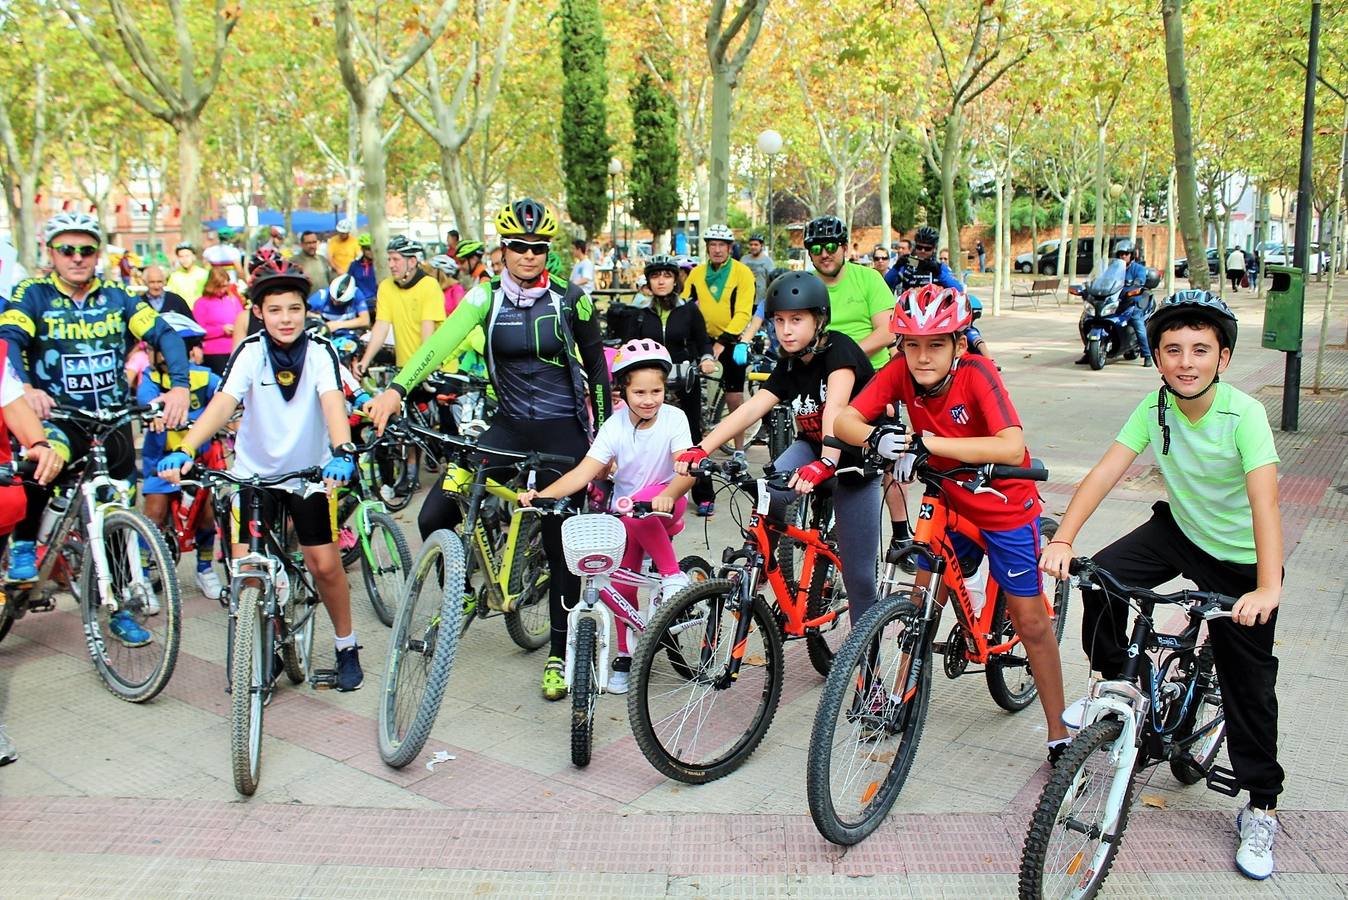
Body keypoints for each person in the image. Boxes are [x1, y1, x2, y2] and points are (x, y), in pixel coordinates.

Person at [1040, 291, 1284, 880]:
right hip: (1179, 532)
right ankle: (1117, 683)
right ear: (1157, 359)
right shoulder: (1155, 408)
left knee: (1247, 683)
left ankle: (1262, 806)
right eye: (1172, 350)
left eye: (1201, 350)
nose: (1186, 361)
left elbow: (1265, 503)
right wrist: (1064, 539)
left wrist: (1268, 588)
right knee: (1101, 579)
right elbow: (1105, 470)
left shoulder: (1244, 415)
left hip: (1242, 560)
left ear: (1223, 358)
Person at [366, 198, 611, 702]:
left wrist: (606, 443)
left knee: (561, 543)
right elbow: (436, 348)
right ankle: (462, 584)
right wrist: (397, 389)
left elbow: (599, 371)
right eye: (519, 247)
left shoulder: (573, 299)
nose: (528, 255)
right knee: (434, 512)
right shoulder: (484, 298)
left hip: (562, 431)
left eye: (538, 247)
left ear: (547, 251)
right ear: (503, 250)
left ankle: (560, 655)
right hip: (506, 427)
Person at [834, 283, 1069, 763]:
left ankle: (1059, 730)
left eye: (936, 344)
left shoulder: (978, 373)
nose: (922, 357)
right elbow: (844, 420)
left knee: (1030, 621)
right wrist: (878, 436)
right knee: (922, 602)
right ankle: (901, 693)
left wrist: (930, 446)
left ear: (959, 345)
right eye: (912, 344)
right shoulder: (901, 370)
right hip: (946, 502)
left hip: (1004, 505)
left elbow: (1009, 445)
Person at [157, 261, 364, 691]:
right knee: (247, 572)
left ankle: (346, 646)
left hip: (308, 475)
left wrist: (343, 449)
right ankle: (263, 647)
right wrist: (185, 448)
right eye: (275, 310)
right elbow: (221, 405)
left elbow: (332, 402)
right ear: (259, 313)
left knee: (324, 565)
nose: (285, 318)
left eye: (294, 309)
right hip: (251, 478)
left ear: (306, 311)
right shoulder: (250, 352)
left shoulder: (322, 352)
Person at [0, 213, 191, 600]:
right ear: (51, 253)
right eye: (66, 249)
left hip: (113, 421)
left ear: (97, 254)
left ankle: (120, 605)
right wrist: (25, 386)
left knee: (118, 511)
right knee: (42, 461)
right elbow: (10, 337)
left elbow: (164, 333)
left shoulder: (117, 296)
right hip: (59, 418)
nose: (77, 257)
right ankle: (23, 545)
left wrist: (180, 389)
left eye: (86, 250)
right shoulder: (33, 293)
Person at [676, 271, 881, 624]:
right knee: (770, 492)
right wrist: (702, 448)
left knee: (859, 575)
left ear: (819, 320)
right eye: (779, 320)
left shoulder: (840, 349)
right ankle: (770, 571)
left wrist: (828, 463)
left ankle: (869, 663)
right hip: (813, 447)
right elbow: (752, 408)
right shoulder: (788, 362)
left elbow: (835, 408)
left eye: (797, 320)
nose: (785, 330)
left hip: (854, 461)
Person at [519, 339, 695, 694]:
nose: (649, 399)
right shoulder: (614, 426)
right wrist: (543, 495)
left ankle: (673, 575)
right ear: (623, 391)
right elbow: (585, 471)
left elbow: (687, 469)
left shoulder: (675, 418)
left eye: (657, 390)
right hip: (628, 513)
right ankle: (627, 656)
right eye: (640, 391)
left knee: (634, 506)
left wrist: (668, 494)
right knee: (621, 585)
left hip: (665, 503)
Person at [608, 255, 717, 516]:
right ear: (648, 282)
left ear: (675, 279)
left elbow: (703, 342)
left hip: (683, 381)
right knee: (648, 436)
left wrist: (706, 359)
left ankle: (703, 493)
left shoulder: (689, 310)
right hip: (650, 387)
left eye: (667, 275)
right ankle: (648, 492)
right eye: (655, 276)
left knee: (692, 437)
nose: (661, 281)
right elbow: (627, 348)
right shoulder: (640, 314)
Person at [136, 313, 224, 601]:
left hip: (197, 464)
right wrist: (154, 412)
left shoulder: (203, 376)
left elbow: (227, 394)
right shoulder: (150, 377)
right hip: (160, 463)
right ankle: (143, 575)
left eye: (156, 347)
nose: (151, 353)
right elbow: (145, 399)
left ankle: (204, 568)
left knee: (208, 516)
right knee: (154, 513)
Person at [682, 224, 757, 462]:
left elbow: (744, 312)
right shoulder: (697, 273)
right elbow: (684, 303)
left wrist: (723, 341)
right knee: (686, 385)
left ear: (730, 248)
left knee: (734, 395)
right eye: (712, 245)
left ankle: (738, 449)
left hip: (731, 339)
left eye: (721, 245)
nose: (716, 250)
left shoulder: (742, 272)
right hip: (702, 338)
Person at [356, 237, 444, 375]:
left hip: (434, 367)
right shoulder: (386, 287)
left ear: (412, 262)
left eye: (396, 259)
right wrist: (364, 362)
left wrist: (422, 369)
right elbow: (381, 326)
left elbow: (427, 332)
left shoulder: (429, 285)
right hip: (404, 368)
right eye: (389, 259)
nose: (391, 265)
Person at [1074, 239, 1153, 368]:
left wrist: (1135, 286)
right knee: (1086, 319)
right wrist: (1088, 288)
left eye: (1126, 253)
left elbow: (1140, 282)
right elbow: (1101, 280)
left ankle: (1147, 354)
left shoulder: (1138, 269)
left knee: (1137, 322)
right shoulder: (1112, 268)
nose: (1123, 256)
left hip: (1131, 302)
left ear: (1132, 255)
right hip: (1114, 302)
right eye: (1121, 254)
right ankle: (1089, 353)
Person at [194, 263, 245, 373]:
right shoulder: (201, 303)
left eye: (225, 286)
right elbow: (199, 331)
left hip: (236, 349)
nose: (223, 289)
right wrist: (221, 330)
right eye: (220, 286)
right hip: (215, 353)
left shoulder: (233, 299)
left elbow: (243, 319)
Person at [886, 226, 963, 293]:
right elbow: (886, 284)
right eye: (919, 247)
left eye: (927, 248)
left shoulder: (940, 267)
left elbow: (959, 289)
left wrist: (939, 274)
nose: (922, 251)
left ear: (934, 249)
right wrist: (896, 267)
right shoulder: (907, 265)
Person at [308, 273, 370, 340]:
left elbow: (365, 320)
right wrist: (315, 316)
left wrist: (337, 325)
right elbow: (301, 311)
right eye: (333, 299)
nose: (335, 303)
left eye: (340, 302)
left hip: (349, 333)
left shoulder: (357, 294)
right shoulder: (321, 296)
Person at [346, 234, 377, 302]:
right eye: (368, 249)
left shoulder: (379, 266)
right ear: (362, 249)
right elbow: (348, 284)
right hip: (360, 304)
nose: (371, 252)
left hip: (377, 303)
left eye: (373, 249)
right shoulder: (354, 265)